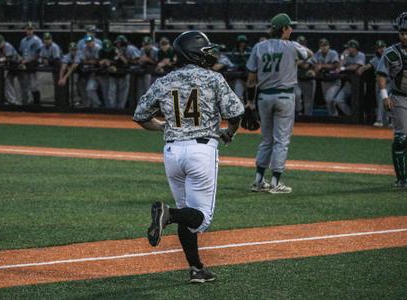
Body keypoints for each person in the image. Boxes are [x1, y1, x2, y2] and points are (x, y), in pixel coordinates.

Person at [133, 30, 244, 283]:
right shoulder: (213, 78)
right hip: (201, 150)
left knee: (187, 212)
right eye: (205, 51)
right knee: (201, 218)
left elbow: (140, 115)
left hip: (172, 152)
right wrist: (229, 132)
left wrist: (163, 126)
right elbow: (236, 113)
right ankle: (167, 214)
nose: (209, 54)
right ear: (195, 53)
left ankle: (196, 269)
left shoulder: (164, 80)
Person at [246, 13, 312, 194]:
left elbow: (251, 80)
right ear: (283, 29)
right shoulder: (291, 46)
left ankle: (259, 180)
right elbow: (309, 55)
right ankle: (275, 182)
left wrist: (249, 102)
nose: (291, 29)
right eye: (289, 27)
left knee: (266, 139)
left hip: (263, 97)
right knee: (281, 140)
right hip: (284, 96)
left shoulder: (259, 47)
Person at [376, 11, 407, 188]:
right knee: (401, 138)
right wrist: (385, 96)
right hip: (400, 97)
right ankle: (401, 178)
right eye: (402, 33)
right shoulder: (392, 52)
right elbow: (381, 75)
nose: (405, 36)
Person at [357, 40, 390, 127]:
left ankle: (387, 121)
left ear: (385, 47)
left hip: (391, 83)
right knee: (380, 101)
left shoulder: (391, 56)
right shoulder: (376, 59)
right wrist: (362, 68)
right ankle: (380, 120)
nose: (381, 49)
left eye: (382, 47)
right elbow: (368, 65)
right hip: (380, 83)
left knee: (391, 102)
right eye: (379, 48)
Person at [308, 38, 341, 116]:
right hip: (324, 82)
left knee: (329, 99)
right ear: (319, 47)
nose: (324, 47)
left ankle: (335, 116)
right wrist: (314, 69)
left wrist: (322, 66)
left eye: (326, 45)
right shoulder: (318, 54)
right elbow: (311, 63)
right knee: (328, 101)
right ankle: (332, 118)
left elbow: (336, 65)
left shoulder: (333, 53)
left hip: (334, 81)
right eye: (322, 46)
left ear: (329, 46)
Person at [333, 39, 366, 116]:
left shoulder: (361, 55)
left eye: (349, 48)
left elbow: (355, 67)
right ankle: (351, 116)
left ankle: (361, 118)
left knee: (360, 102)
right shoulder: (346, 55)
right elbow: (339, 68)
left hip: (359, 84)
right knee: (338, 100)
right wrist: (342, 57)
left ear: (354, 48)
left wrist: (344, 68)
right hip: (349, 83)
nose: (347, 49)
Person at [108, 35, 140, 109]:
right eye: (117, 43)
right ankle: (112, 110)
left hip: (127, 73)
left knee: (123, 94)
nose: (118, 44)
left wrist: (123, 57)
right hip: (115, 73)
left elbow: (137, 61)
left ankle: (121, 109)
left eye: (119, 43)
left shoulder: (130, 48)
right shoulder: (115, 49)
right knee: (112, 93)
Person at [0, 34, 22, 105]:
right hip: (10, 67)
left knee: (23, 83)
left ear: (4, 41)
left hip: (18, 64)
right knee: (7, 81)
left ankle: (26, 103)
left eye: (0, 42)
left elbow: (9, 58)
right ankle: (12, 101)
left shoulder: (8, 46)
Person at [18, 22, 43, 105]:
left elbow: (39, 53)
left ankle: (37, 104)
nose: (29, 31)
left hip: (33, 64)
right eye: (28, 29)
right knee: (25, 86)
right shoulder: (23, 40)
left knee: (34, 86)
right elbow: (21, 52)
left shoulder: (37, 40)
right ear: (25, 30)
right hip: (25, 65)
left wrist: (29, 60)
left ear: (33, 30)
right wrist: (22, 60)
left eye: (31, 29)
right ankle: (26, 104)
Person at [77, 35, 102, 108]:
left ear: (93, 41)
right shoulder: (84, 48)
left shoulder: (98, 48)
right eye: (87, 42)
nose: (89, 43)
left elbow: (97, 61)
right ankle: (96, 106)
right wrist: (91, 62)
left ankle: (103, 107)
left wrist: (91, 62)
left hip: (100, 73)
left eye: (90, 41)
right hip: (91, 73)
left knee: (105, 91)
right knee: (89, 89)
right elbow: (84, 61)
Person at [294, 35, 316, 116]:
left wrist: (298, 62)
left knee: (308, 103)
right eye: (299, 44)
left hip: (309, 81)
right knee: (296, 95)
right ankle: (298, 112)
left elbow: (305, 66)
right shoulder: (293, 54)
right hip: (298, 80)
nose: (301, 46)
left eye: (302, 44)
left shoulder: (310, 53)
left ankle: (308, 122)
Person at [230, 34, 252, 102]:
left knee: (249, 94)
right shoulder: (235, 50)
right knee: (238, 93)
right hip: (239, 74)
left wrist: (243, 56)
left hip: (248, 74)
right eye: (240, 42)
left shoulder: (249, 50)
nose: (242, 43)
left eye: (243, 42)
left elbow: (250, 62)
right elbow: (233, 62)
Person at [58, 42, 80, 106]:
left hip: (83, 74)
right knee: (76, 85)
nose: (73, 51)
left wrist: (64, 78)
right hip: (74, 74)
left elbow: (73, 67)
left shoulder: (79, 55)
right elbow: (63, 67)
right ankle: (75, 101)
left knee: (79, 87)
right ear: (69, 50)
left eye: (74, 49)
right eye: (72, 49)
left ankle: (80, 100)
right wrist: (60, 78)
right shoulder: (67, 56)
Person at [98, 38, 117, 109]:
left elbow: (117, 61)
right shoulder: (100, 51)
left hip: (113, 75)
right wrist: (102, 62)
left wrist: (110, 62)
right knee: (105, 92)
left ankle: (113, 109)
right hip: (103, 74)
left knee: (112, 92)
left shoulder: (114, 50)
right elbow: (98, 62)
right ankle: (107, 109)